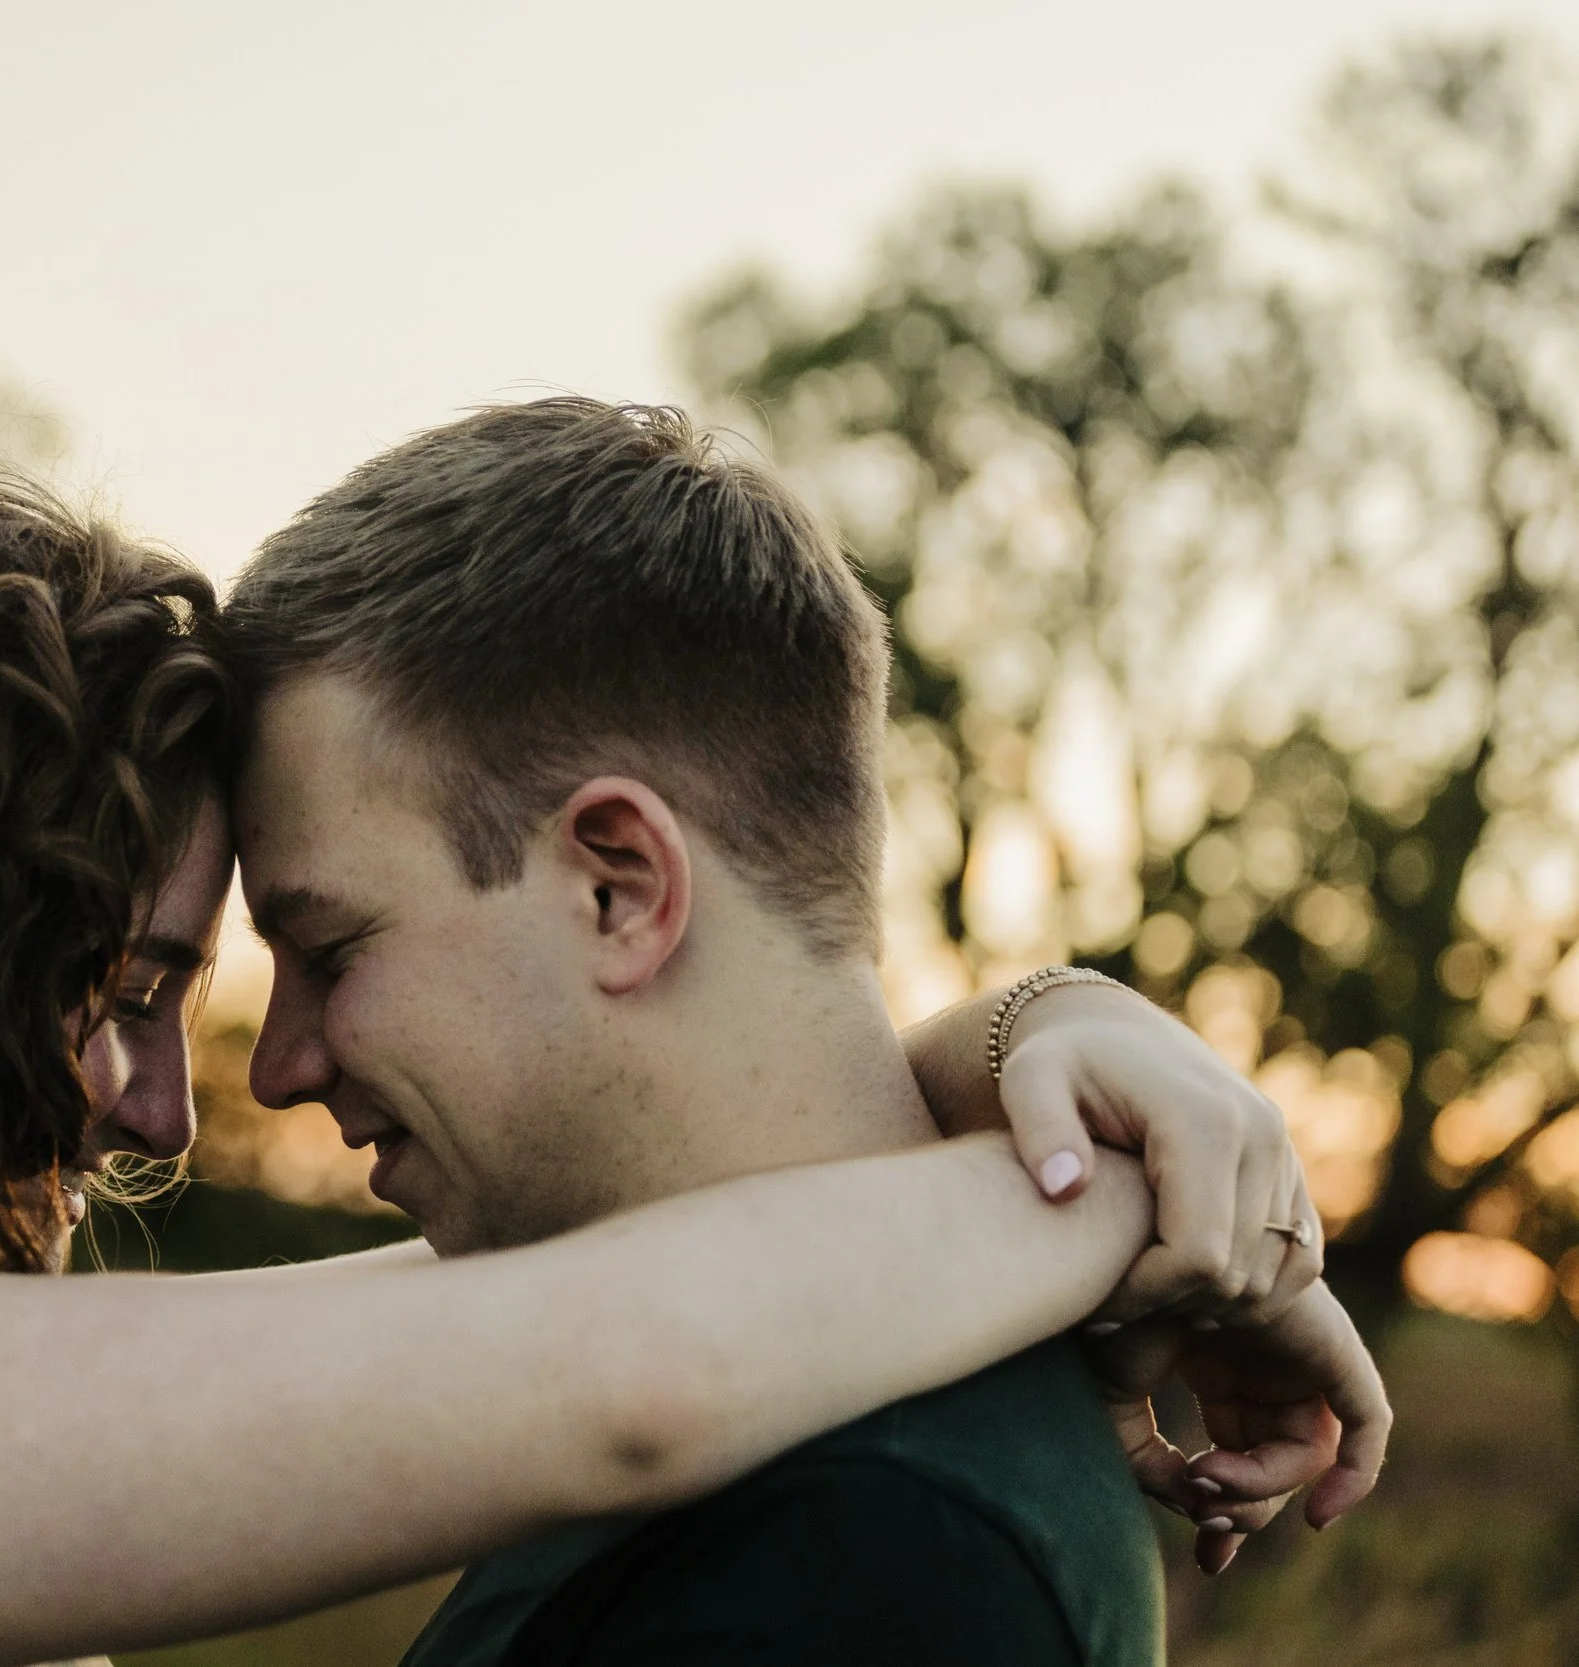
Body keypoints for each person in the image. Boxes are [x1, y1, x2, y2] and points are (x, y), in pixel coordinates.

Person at [0, 446, 1384, 1667]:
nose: (169, 1095)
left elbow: (600, 1297)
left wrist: (1041, 1034)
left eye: (267, 956)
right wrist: (1126, 1171)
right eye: (126, 982)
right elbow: (611, 1364)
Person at [220, 396, 1365, 1667]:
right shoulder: (722, 1396)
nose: (279, 1064)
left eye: (329, 951)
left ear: (621, 888)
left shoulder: (881, 1552)